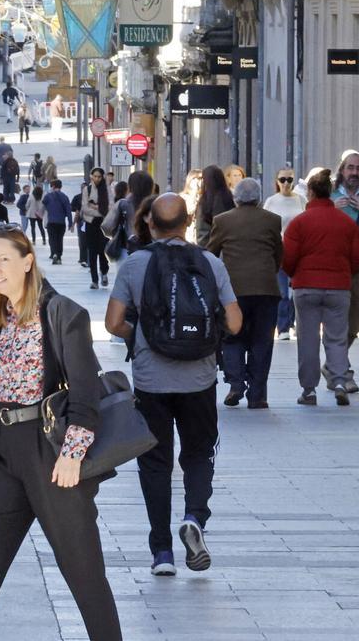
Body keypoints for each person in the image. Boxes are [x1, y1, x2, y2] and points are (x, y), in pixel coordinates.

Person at [0, 233, 121, 641]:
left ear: (28, 262)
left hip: (50, 454)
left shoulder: (62, 313)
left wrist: (72, 454)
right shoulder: (0, 322)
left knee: (84, 574)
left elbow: (85, 393)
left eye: (4, 259)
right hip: (4, 457)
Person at [106, 194, 242, 576]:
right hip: (199, 378)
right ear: (188, 221)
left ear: (150, 224)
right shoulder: (210, 263)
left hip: (151, 381)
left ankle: (162, 552)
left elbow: (113, 322)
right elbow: (234, 323)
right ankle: (194, 517)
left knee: (155, 462)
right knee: (199, 453)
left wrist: (141, 336)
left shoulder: (135, 264)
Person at [283, 168, 359, 406]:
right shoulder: (346, 223)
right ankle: (339, 381)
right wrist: (344, 274)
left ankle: (309, 390)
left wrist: (295, 274)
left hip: (306, 286)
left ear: (309, 192)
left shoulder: (299, 223)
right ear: (329, 192)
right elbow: (357, 257)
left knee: (307, 340)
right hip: (338, 287)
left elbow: (288, 257)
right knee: (337, 338)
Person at [205, 178, 283, 408]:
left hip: (233, 290)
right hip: (266, 289)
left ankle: (236, 385)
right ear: (259, 198)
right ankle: (257, 395)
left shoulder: (222, 220)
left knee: (232, 336)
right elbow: (278, 253)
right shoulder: (272, 220)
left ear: (235, 197)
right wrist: (269, 271)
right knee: (262, 341)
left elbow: (211, 252)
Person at [331, 150, 359, 393]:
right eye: (350, 167)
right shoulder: (329, 199)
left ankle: (333, 365)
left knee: (355, 324)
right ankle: (341, 371)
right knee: (336, 323)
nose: (354, 172)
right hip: (333, 269)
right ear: (342, 170)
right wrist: (330, 210)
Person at [263, 166, 305, 341]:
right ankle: (283, 327)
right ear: (277, 182)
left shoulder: (301, 200)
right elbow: (266, 225)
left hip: (299, 250)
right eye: (282, 180)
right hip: (279, 249)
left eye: (289, 179)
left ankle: (296, 323)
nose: (286, 183)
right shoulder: (271, 201)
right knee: (282, 291)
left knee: (298, 289)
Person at [81, 167, 110, 289]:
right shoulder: (87, 190)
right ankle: (94, 280)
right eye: (95, 176)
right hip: (91, 224)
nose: (97, 179)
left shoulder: (107, 190)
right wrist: (99, 209)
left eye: (99, 177)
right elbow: (85, 208)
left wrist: (95, 207)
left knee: (103, 251)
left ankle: (104, 272)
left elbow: (109, 208)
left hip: (103, 225)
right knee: (92, 252)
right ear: (91, 176)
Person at [195, 164, 235, 246]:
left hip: (209, 246)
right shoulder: (229, 197)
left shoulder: (205, 201)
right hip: (229, 245)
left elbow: (201, 231)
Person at [42, 180, 72, 264]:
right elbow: (68, 210)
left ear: (53, 186)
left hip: (51, 221)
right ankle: (59, 256)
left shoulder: (48, 196)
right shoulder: (65, 197)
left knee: (52, 238)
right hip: (61, 222)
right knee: (59, 239)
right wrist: (70, 222)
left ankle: (54, 253)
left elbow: (43, 204)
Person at [179, 169, 203, 243]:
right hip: (187, 233)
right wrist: (194, 194)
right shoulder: (183, 197)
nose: (199, 181)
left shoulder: (203, 198)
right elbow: (189, 211)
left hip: (198, 234)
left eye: (201, 179)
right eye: (197, 178)